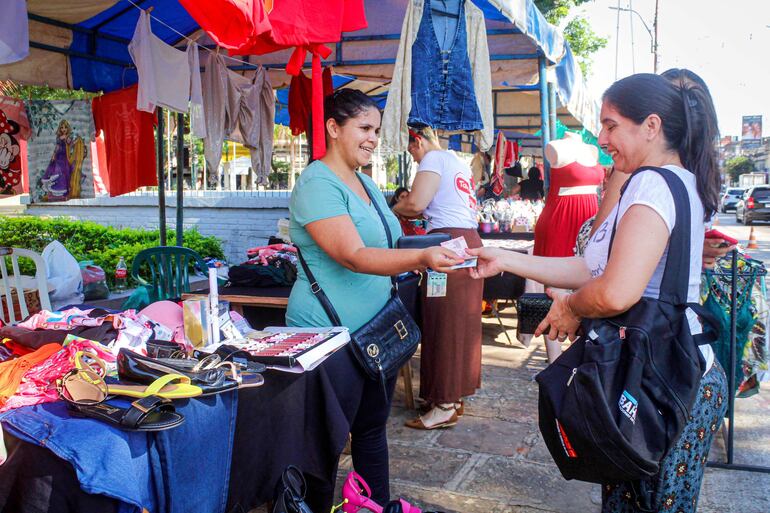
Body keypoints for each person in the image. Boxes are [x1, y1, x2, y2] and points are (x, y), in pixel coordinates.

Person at [468, 71, 727, 513]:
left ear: (651, 126)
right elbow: (592, 266)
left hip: (656, 382)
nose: (602, 138)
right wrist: (506, 258)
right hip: (675, 373)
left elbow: (613, 292)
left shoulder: (651, 183)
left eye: (611, 125)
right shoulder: (681, 182)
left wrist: (570, 307)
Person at [286, 89, 462, 511]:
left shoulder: (364, 182)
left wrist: (428, 249)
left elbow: (387, 241)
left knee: (369, 430)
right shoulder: (316, 183)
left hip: (375, 334)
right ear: (333, 127)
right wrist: (421, 255)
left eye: (377, 131)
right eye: (364, 128)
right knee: (321, 443)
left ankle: (374, 505)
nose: (373, 138)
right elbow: (354, 255)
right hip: (328, 336)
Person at [392, 126, 483, 430]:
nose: (414, 158)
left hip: (447, 243)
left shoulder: (433, 159)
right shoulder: (456, 161)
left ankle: (443, 404)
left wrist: (391, 210)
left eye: (411, 150)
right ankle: (451, 398)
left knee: (443, 323)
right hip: (467, 241)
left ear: (417, 140)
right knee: (461, 323)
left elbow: (415, 204)